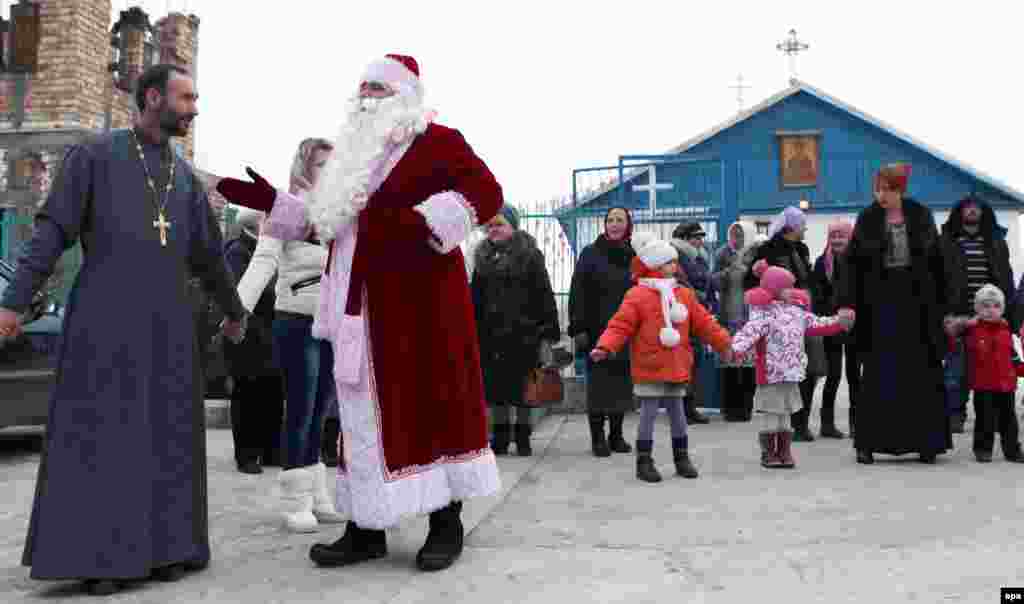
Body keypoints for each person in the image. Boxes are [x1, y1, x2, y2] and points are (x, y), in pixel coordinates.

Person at [215, 54, 502, 572]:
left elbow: (485, 192)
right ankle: (366, 526)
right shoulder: (351, 157)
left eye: (380, 88)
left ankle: (445, 522)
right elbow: (326, 225)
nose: (368, 96)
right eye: (363, 87)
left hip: (421, 307)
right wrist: (275, 205)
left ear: (406, 96)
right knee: (359, 420)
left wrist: (428, 226)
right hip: (355, 311)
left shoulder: (440, 142)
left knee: (428, 405)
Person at [0, 64, 247, 596]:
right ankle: (101, 559)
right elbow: (52, 232)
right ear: (154, 98)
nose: (195, 107)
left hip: (169, 330)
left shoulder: (183, 179)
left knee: (167, 440)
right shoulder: (93, 156)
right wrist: (13, 302)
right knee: (106, 441)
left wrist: (235, 311)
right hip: (105, 325)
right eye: (187, 97)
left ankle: (169, 549)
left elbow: (209, 258)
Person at [234, 137, 344, 533]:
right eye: (321, 164)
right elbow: (263, 261)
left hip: (330, 321)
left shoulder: (339, 213)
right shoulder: (281, 208)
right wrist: (237, 309)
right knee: (300, 407)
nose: (328, 170)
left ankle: (317, 495)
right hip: (295, 319)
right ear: (304, 167)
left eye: (333, 163)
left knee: (321, 409)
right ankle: (296, 499)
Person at [836, 163, 954, 465]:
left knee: (922, 373)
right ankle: (868, 443)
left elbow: (938, 264)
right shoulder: (868, 218)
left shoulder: (921, 215)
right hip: (879, 304)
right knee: (878, 374)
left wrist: (948, 309)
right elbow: (852, 265)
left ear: (899, 189)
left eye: (886, 189)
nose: (880, 195)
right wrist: (848, 303)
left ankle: (927, 443)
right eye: (877, 189)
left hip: (918, 305)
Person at [590, 237, 733, 483]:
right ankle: (644, 461)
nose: (675, 267)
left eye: (675, 262)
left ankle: (681, 457)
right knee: (648, 413)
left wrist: (723, 343)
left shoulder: (684, 295)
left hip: (677, 364)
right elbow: (620, 325)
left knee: (678, 413)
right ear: (654, 266)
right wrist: (605, 346)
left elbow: (704, 323)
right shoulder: (637, 295)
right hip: (648, 365)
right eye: (669, 262)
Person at [731, 261, 851, 469]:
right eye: (786, 287)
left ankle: (784, 451)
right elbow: (748, 333)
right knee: (771, 414)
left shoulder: (797, 312)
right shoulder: (762, 314)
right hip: (770, 374)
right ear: (774, 289)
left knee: (786, 414)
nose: (792, 290)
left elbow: (817, 323)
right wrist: (735, 349)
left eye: (791, 286)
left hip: (791, 372)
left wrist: (838, 322)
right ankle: (769, 452)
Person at [471, 204, 561, 457]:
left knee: (524, 390)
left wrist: (547, 332)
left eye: (499, 224)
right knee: (496, 391)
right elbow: (475, 297)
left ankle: (523, 436)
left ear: (512, 226)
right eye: (490, 226)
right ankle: (499, 437)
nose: (494, 229)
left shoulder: (530, 255)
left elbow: (544, 293)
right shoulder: (482, 258)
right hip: (491, 336)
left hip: (524, 335)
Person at [940, 196, 1016, 434]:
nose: (972, 211)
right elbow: (936, 279)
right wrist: (944, 314)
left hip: (991, 316)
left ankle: (989, 418)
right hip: (958, 315)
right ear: (959, 212)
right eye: (967, 207)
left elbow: (1006, 277)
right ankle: (955, 414)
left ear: (983, 213)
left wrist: (1009, 316)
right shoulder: (946, 241)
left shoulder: (995, 241)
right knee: (956, 371)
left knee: (991, 368)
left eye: (976, 208)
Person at [744, 206, 820, 442]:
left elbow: (809, 278)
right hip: (780, 318)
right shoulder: (767, 249)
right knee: (788, 373)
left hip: (804, 313)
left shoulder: (802, 249)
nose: (805, 228)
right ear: (792, 227)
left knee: (811, 369)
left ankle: (801, 420)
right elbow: (750, 281)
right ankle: (792, 426)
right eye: (802, 224)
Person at [567, 207, 638, 456]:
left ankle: (616, 436)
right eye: (610, 220)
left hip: (626, 331)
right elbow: (577, 291)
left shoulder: (634, 255)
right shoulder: (591, 253)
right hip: (596, 331)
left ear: (628, 225)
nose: (614, 224)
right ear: (604, 225)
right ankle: (598, 438)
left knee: (620, 384)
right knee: (598, 387)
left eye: (620, 220)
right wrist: (578, 328)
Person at [223, 208, 285, 474]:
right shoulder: (238, 251)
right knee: (247, 394)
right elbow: (238, 293)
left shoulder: (271, 252)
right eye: (265, 220)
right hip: (249, 334)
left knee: (272, 392)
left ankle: (271, 450)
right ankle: (246, 454)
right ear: (254, 224)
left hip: (271, 333)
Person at [947, 285, 1024, 463]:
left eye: (996, 306)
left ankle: (1012, 450)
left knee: (1009, 421)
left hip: (1006, 385)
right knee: (984, 420)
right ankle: (983, 449)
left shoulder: (1005, 330)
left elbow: (1012, 356)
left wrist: (1020, 367)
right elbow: (953, 342)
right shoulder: (972, 331)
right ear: (977, 309)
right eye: (985, 306)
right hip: (984, 385)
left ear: (1002, 309)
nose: (991, 310)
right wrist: (961, 326)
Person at [810, 220, 858, 438]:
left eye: (842, 236)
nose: (837, 240)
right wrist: (834, 316)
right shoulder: (822, 263)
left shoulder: (860, 262)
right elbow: (817, 297)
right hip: (832, 326)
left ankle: (858, 423)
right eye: (833, 236)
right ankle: (826, 424)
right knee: (833, 376)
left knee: (856, 377)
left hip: (856, 327)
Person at [711, 221, 759, 422]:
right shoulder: (723, 254)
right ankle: (730, 410)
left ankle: (745, 408)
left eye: (740, 235)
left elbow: (763, 281)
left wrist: (750, 270)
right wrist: (728, 272)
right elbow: (712, 281)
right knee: (729, 365)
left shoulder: (755, 253)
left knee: (748, 367)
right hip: (728, 316)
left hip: (750, 316)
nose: (736, 239)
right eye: (733, 234)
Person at [670, 221, 716, 424]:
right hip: (682, 313)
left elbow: (708, 283)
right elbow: (678, 282)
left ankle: (690, 407)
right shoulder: (676, 255)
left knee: (695, 360)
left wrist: (711, 304)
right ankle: (680, 409)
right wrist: (696, 296)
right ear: (685, 239)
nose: (699, 241)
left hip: (698, 313)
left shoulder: (700, 257)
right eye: (695, 237)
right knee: (682, 362)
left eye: (700, 237)